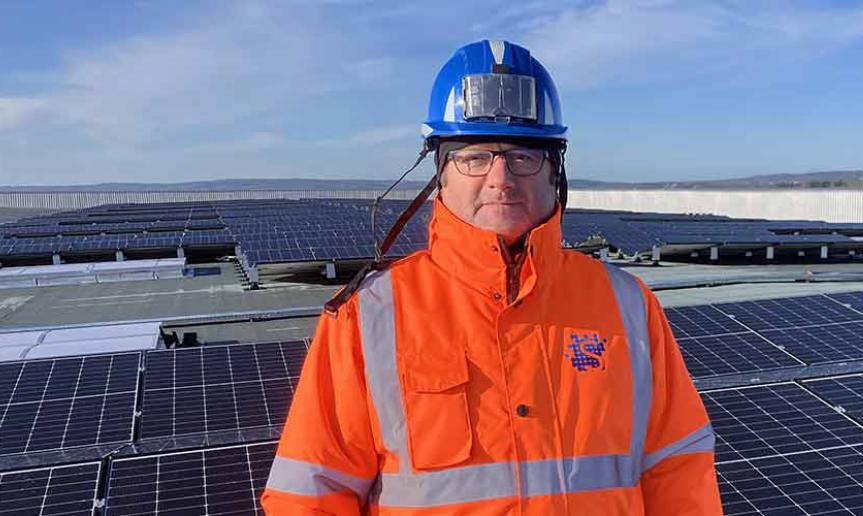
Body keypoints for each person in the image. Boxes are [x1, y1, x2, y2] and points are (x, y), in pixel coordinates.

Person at [261, 39, 722, 515]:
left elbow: (678, 467)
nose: (501, 178)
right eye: (475, 157)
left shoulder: (627, 303)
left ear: (555, 171)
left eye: (524, 157)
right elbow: (309, 494)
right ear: (440, 171)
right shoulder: (367, 317)